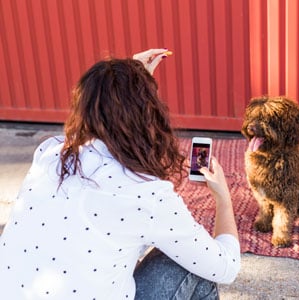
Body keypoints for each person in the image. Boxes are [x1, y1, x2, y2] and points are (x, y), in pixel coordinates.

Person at [0, 49, 240, 299]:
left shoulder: (50, 155)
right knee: (188, 262)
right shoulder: (144, 193)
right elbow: (226, 267)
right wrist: (224, 199)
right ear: (150, 117)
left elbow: (98, 110)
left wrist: (127, 79)